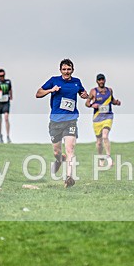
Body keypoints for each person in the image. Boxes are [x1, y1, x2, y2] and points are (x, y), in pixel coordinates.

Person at [35, 58, 88, 188]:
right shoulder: (54, 80)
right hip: (55, 121)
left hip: (71, 120)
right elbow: (38, 93)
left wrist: (85, 95)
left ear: (72, 70)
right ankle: (60, 159)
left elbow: (83, 93)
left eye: (69, 69)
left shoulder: (77, 82)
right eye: (64, 69)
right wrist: (51, 90)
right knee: (56, 152)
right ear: (60, 70)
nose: (66, 71)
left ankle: (69, 177)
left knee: (70, 149)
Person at [85, 73, 121, 167]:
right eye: (99, 80)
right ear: (97, 81)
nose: (101, 81)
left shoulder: (109, 90)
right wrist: (92, 105)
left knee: (105, 136)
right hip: (97, 119)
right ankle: (101, 157)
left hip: (108, 117)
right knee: (99, 142)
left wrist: (116, 102)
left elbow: (112, 100)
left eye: (102, 79)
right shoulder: (93, 91)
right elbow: (87, 103)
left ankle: (108, 157)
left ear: (105, 80)